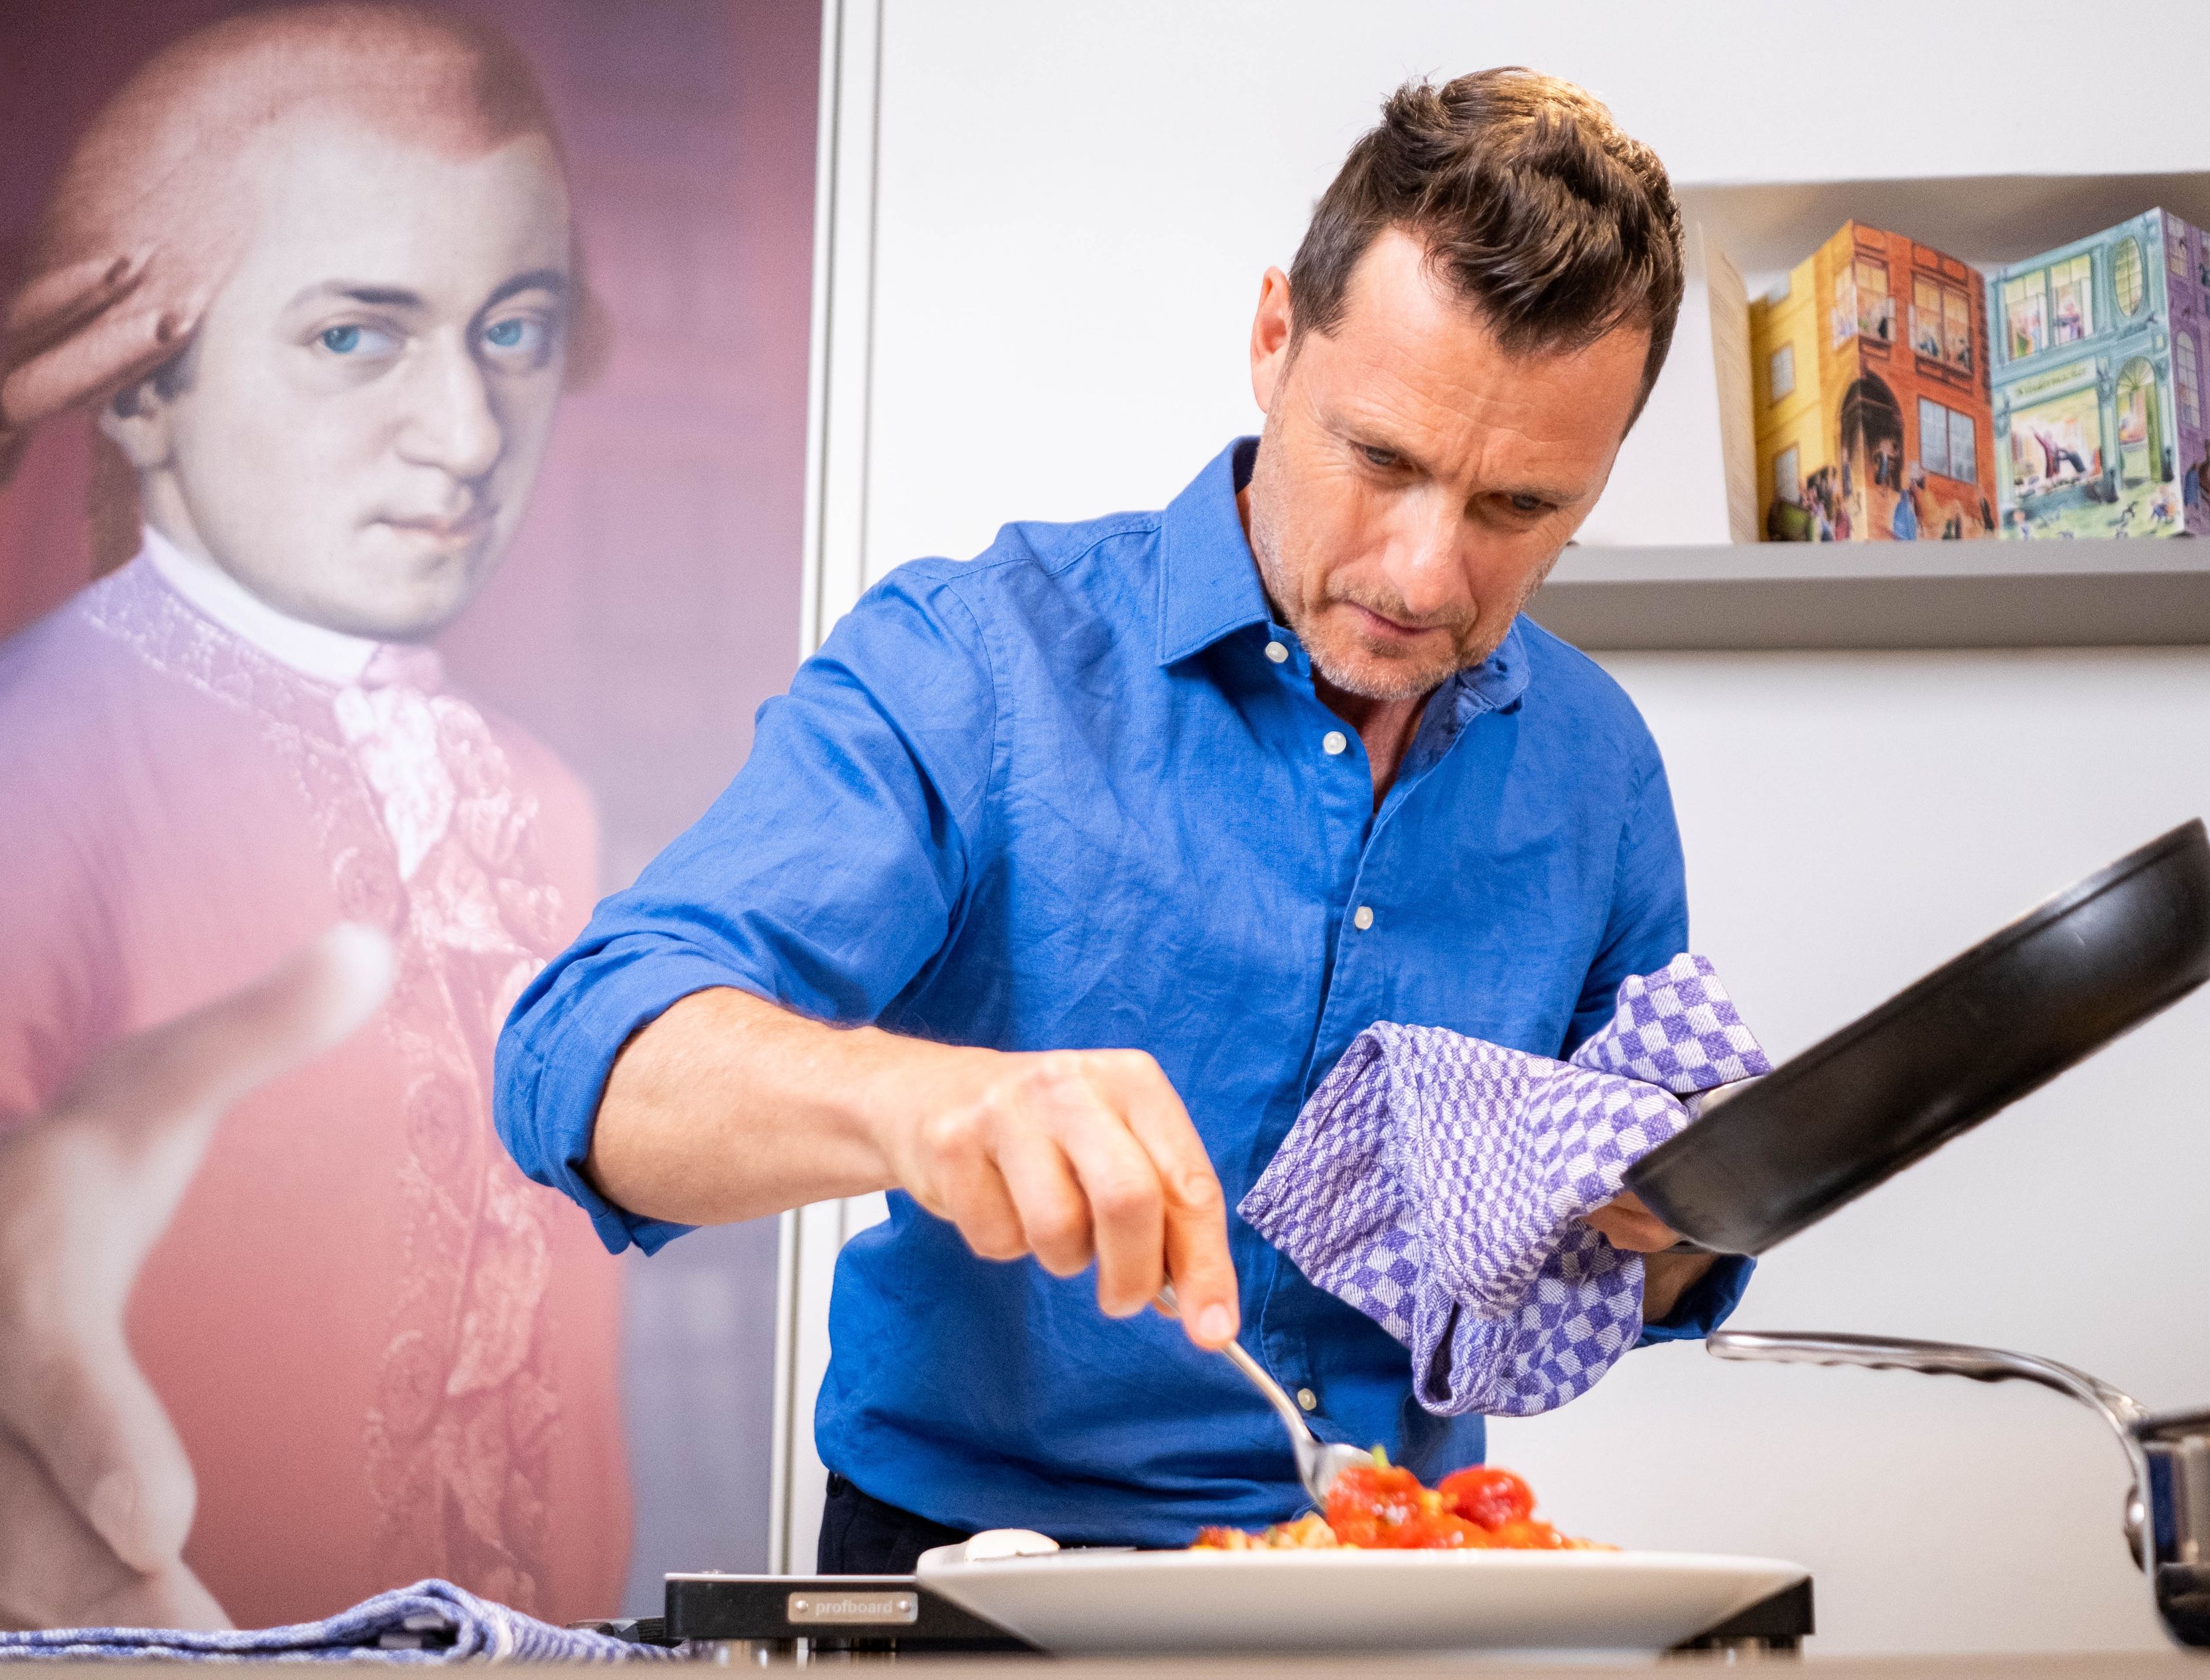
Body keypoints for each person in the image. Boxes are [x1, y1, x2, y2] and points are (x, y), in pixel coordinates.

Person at [497, 69, 1747, 1574]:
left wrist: (1658, 1222)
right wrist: (931, 1104)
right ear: (1274, 338)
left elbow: (1657, 1256)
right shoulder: (977, 663)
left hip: (1387, 1580)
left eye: (1516, 508)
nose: (1424, 574)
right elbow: (581, 1058)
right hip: (965, 1578)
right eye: (1383, 461)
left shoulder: (1594, 768)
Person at [0, 5, 627, 1629]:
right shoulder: (4, 765)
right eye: (352, 336)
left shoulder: (543, 797)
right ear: (135, 388)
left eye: (512, 333)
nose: (464, 437)